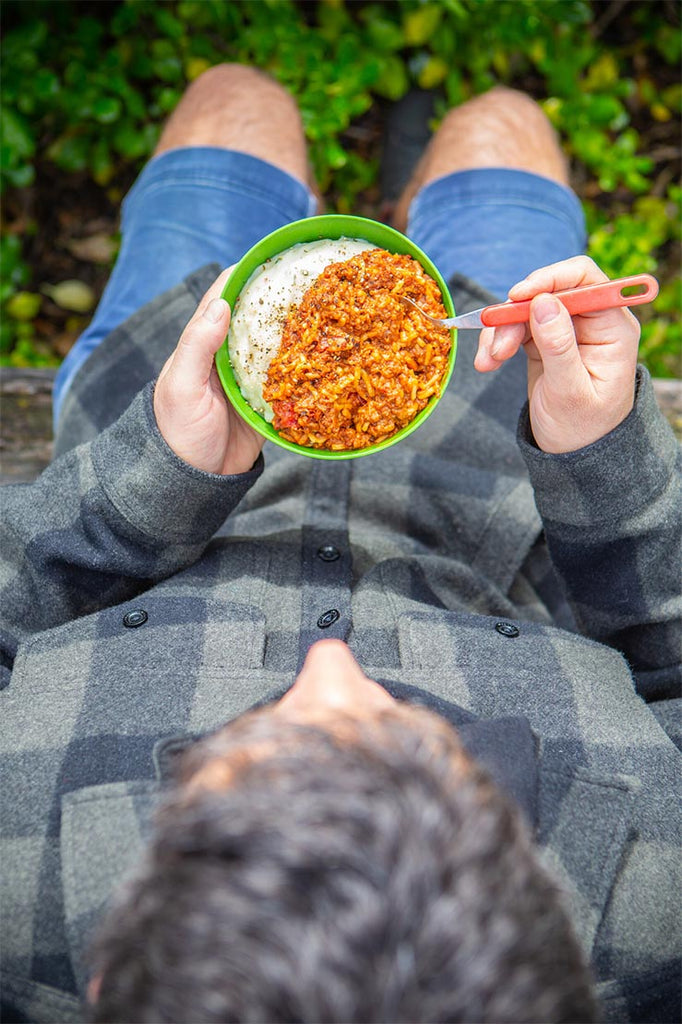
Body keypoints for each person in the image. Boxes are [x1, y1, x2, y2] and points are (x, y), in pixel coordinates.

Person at [1, 64, 680, 1024]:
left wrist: (152, 480)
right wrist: (599, 455)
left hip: (158, 402)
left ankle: (377, 187)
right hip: (491, 433)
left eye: (237, 752)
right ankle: (422, 188)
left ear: (111, 975)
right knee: (501, 124)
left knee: (237, 102)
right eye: (428, 748)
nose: (331, 665)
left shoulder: (17, 895)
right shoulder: (652, 920)